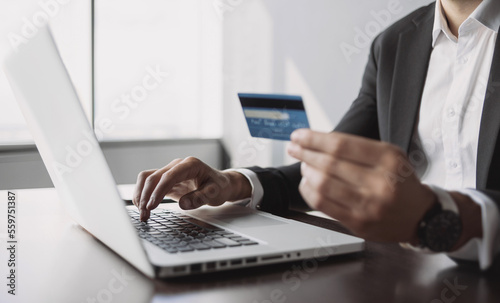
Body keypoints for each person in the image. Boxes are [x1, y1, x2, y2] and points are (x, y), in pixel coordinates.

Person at [133, 0, 500, 270]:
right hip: (403, 272)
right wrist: (234, 183)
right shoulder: (394, 44)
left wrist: (437, 216)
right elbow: (327, 169)